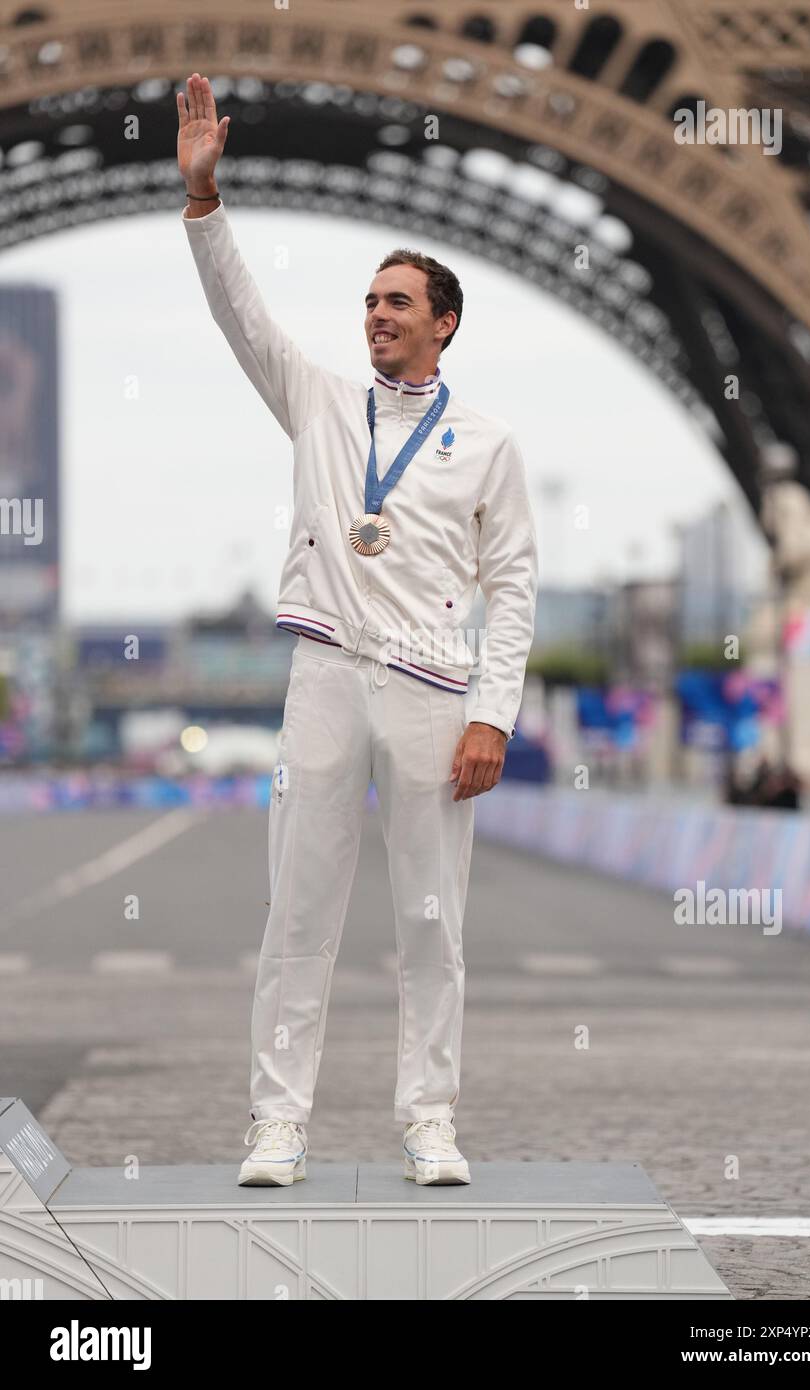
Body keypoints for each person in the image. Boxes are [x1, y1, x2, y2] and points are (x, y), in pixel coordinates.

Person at [176, 75, 538, 1187]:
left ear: (443, 322)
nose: (375, 314)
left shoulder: (487, 443)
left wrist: (492, 713)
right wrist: (204, 200)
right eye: (368, 301)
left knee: (431, 924)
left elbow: (513, 582)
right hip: (325, 674)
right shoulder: (320, 402)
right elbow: (242, 314)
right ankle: (276, 1122)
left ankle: (428, 1118)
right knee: (300, 911)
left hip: (434, 690)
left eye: (396, 302)